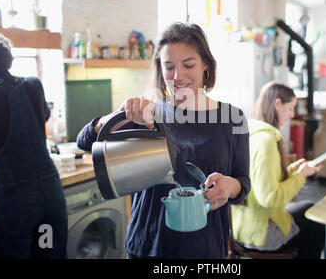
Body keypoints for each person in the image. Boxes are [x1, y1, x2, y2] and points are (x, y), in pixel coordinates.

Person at [77, 22, 250, 258]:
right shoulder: (149, 114)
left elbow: (243, 182)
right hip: (148, 246)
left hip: (206, 248)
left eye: (188, 65)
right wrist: (116, 115)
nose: (178, 76)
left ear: (205, 64)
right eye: (169, 67)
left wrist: (232, 187)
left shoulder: (232, 118)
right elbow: (85, 141)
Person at [0, 32, 67, 258]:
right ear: (11, 60)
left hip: (11, 207)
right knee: (48, 256)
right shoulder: (34, 85)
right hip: (50, 200)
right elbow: (37, 124)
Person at [230, 81, 326, 259]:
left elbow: (261, 178)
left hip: (240, 229)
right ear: (277, 104)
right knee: (314, 218)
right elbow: (269, 198)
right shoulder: (266, 141)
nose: (292, 115)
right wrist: (300, 176)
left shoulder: (251, 133)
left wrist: (292, 170)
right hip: (260, 235)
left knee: (307, 213)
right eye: (290, 108)